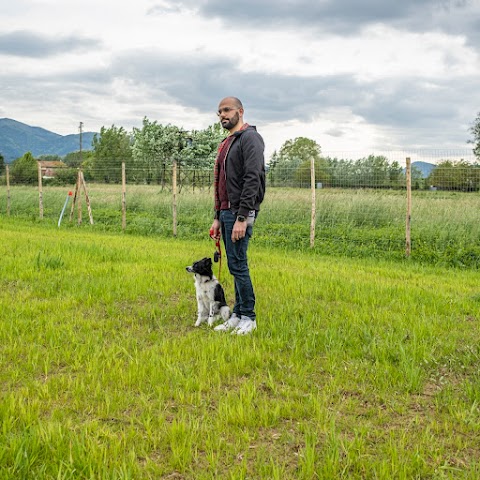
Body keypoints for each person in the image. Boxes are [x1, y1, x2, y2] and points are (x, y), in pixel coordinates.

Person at [210, 97, 266, 335]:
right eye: (219, 112)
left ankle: (249, 318)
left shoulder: (250, 139)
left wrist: (242, 217)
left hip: (239, 213)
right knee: (233, 265)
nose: (222, 115)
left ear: (240, 111)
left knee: (239, 265)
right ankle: (237, 314)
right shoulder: (227, 142)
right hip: (226, 212)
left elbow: (253, 179)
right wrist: (217, 216)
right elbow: (221, 183)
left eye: (227, 110)